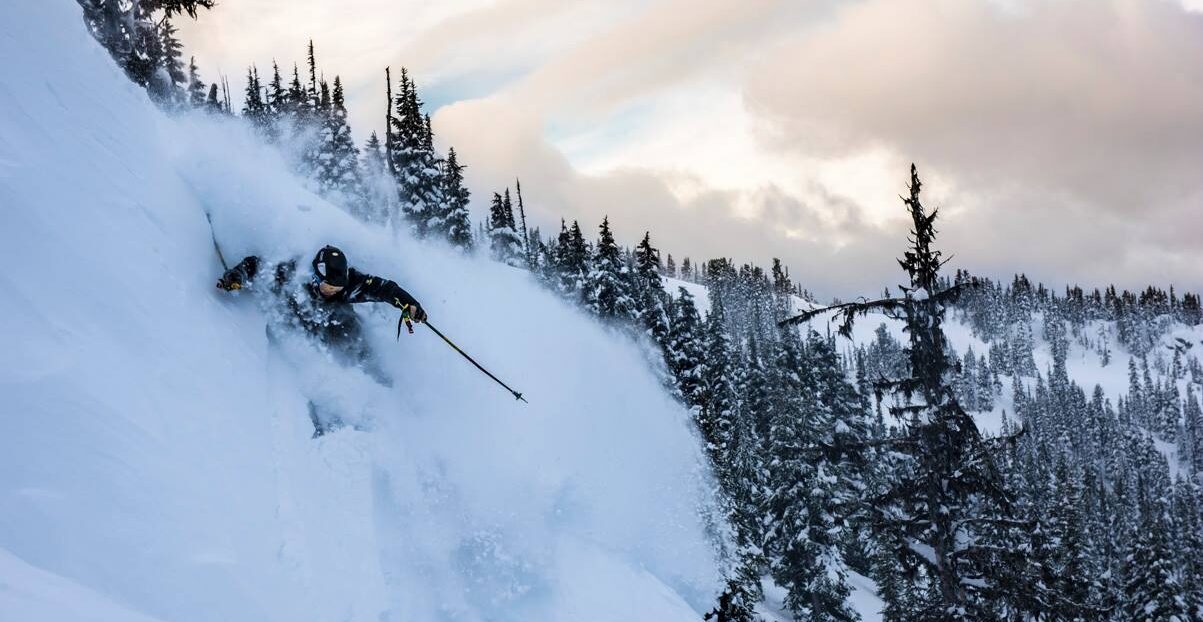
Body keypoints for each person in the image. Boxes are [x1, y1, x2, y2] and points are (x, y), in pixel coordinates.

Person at [216, 245, 425, 383]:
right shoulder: (294, 273)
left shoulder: (350, 282)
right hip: (303, 328)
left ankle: (384, 385)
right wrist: (237, 276)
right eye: (328, 287)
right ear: (316, 276)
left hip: (342, 330)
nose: (332, 291)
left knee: (357, 344)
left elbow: (384, 289)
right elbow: (255, 265)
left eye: (337, 288)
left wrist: (410, 304)